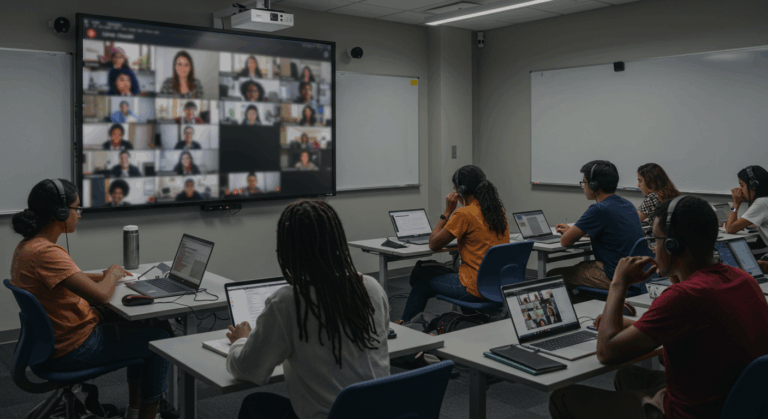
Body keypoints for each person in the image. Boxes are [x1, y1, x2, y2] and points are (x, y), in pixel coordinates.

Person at [549, 196, 768, 419]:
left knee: (563, 397)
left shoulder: (684, 296)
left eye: (655, 239)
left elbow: (606, 352)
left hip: (690, 414)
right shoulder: (743, 279)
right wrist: (675, 275)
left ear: (674, 245)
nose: (652, 248)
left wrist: (618, 283)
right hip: (734, 402)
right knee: (628, 375)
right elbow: (697, 335)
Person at [10, 179, 168, 419]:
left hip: (55, 341)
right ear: (60, 213)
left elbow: (68, 277)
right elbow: (102, 296)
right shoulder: (48, 253)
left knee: (149, 323)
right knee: (160, 341)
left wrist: (102, 275)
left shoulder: (29, 246)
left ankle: (135, 411)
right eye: (77, 208)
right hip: (72, 349)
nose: (79, 214)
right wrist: (112, 274)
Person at [226, 200, 389, 419]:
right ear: (338, 241)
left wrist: (240, 340)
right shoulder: (371, 287)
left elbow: (247, 369)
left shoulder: (288, 301)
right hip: (379, 413)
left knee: (253, 403)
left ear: (287, 250)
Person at [399, 165, 510, 322]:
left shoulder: (464, 214)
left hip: (474, 287)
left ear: (461, 190)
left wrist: (447, 212)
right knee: (435, 271)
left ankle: (406, 326)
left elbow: (433, 243)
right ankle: (472, 320)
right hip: (496, 284)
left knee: (421, 282)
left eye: (455, 187)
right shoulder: (497, 211)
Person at [550, 160, 651, 290]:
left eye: (584, 183)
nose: (583, 187)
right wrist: (574, 230)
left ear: (593, 185)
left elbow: (565, 241)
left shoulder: (598, 209)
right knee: (582, 266)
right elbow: (610, 230)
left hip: (615, 276)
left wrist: (570, 233)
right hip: (636, 274)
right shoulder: (627, 204)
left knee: (553, 276)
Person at [726, 165, 768, 249]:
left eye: (742, 185)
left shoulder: (762, 202)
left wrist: (735, 204)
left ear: (754, 185)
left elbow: (730, 229)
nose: (740, 189)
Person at [636, 163, 680, 227]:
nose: (638, 185)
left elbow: (634, 220)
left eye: (640, 181)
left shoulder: (652, 198)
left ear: (650, 182)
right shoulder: (674, 194)